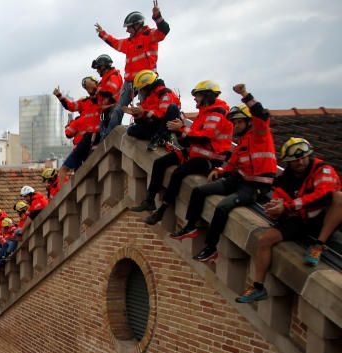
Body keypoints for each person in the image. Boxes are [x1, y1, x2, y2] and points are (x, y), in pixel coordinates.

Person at [171, 84, 278, 258]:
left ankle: (211, 247)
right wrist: (220, 170)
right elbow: (233, 163)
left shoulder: (260, 133)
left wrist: (244, 94)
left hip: (255, 186)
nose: (235, 125)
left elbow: (261, 114)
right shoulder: (243, 142)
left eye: (239, 122)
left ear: (249, 121)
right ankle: (190, 226)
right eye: (234, 122)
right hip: (239, 180)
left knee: (222, 207)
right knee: (199, 190)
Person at [237, 139, 342, 303]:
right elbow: (279, 197)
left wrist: (288, 206)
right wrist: (275, 208)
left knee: (339, 198)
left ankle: (318, 245)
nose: (300, 162)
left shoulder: (323, 170)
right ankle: (257, 287)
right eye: (295, 160)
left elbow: (323, 195)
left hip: (323, 218)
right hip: (301, 217)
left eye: (303, 158)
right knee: (265, 240)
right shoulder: (287, 177)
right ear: (289, 162)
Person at [133, 80, 232, 226]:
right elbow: (188, 140)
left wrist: (182, 129)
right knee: (160, 162)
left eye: (197, 95)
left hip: (210, 158)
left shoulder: (217, 113)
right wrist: (178, 131)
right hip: (194, 153)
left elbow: (205, 137)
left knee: (178, 173)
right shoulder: (204, 112)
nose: (194, 98)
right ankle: (149, 200)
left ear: (207, 95)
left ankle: (163, 210)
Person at [96, 2, 170, 137]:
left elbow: (164, 31)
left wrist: (157, 16)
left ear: (137, 25)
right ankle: (107, 138)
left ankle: (146, 133)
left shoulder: (150, 35)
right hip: (130, 82)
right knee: (118, 109)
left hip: (146, 83)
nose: (127, 30)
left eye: (129, 27)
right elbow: (115, 43)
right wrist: (102, 34)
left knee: (144, 108)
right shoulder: (129, 42)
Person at [55, 77, 100, 182]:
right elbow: (70, 106)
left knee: (69, 169)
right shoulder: (84, 103)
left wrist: (68, 126)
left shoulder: (78, 120)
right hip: (88, 140)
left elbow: (68, 134)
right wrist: (60, 96)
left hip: (90, 140)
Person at [124, 70, 181, 148]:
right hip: (155, 126)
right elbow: (143, 119)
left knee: (172, 107)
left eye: (142, 89)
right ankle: (156, 136)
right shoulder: (148, 98)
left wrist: (143, 112)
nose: (140, 92)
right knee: (131, 130)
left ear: (148, 86)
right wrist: (136, 114)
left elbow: (162, 114)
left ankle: (163, 137)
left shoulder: (164, 93)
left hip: (165, 124)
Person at [92, 54, 123, 141]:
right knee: (106, 137)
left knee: (110, 137)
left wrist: (96, 89)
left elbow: (109, 93)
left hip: (113, 110)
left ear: (103, 67)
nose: (97, 71)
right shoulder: (105, 79)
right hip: (107, 111)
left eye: (98, 68)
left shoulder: (113, 76)